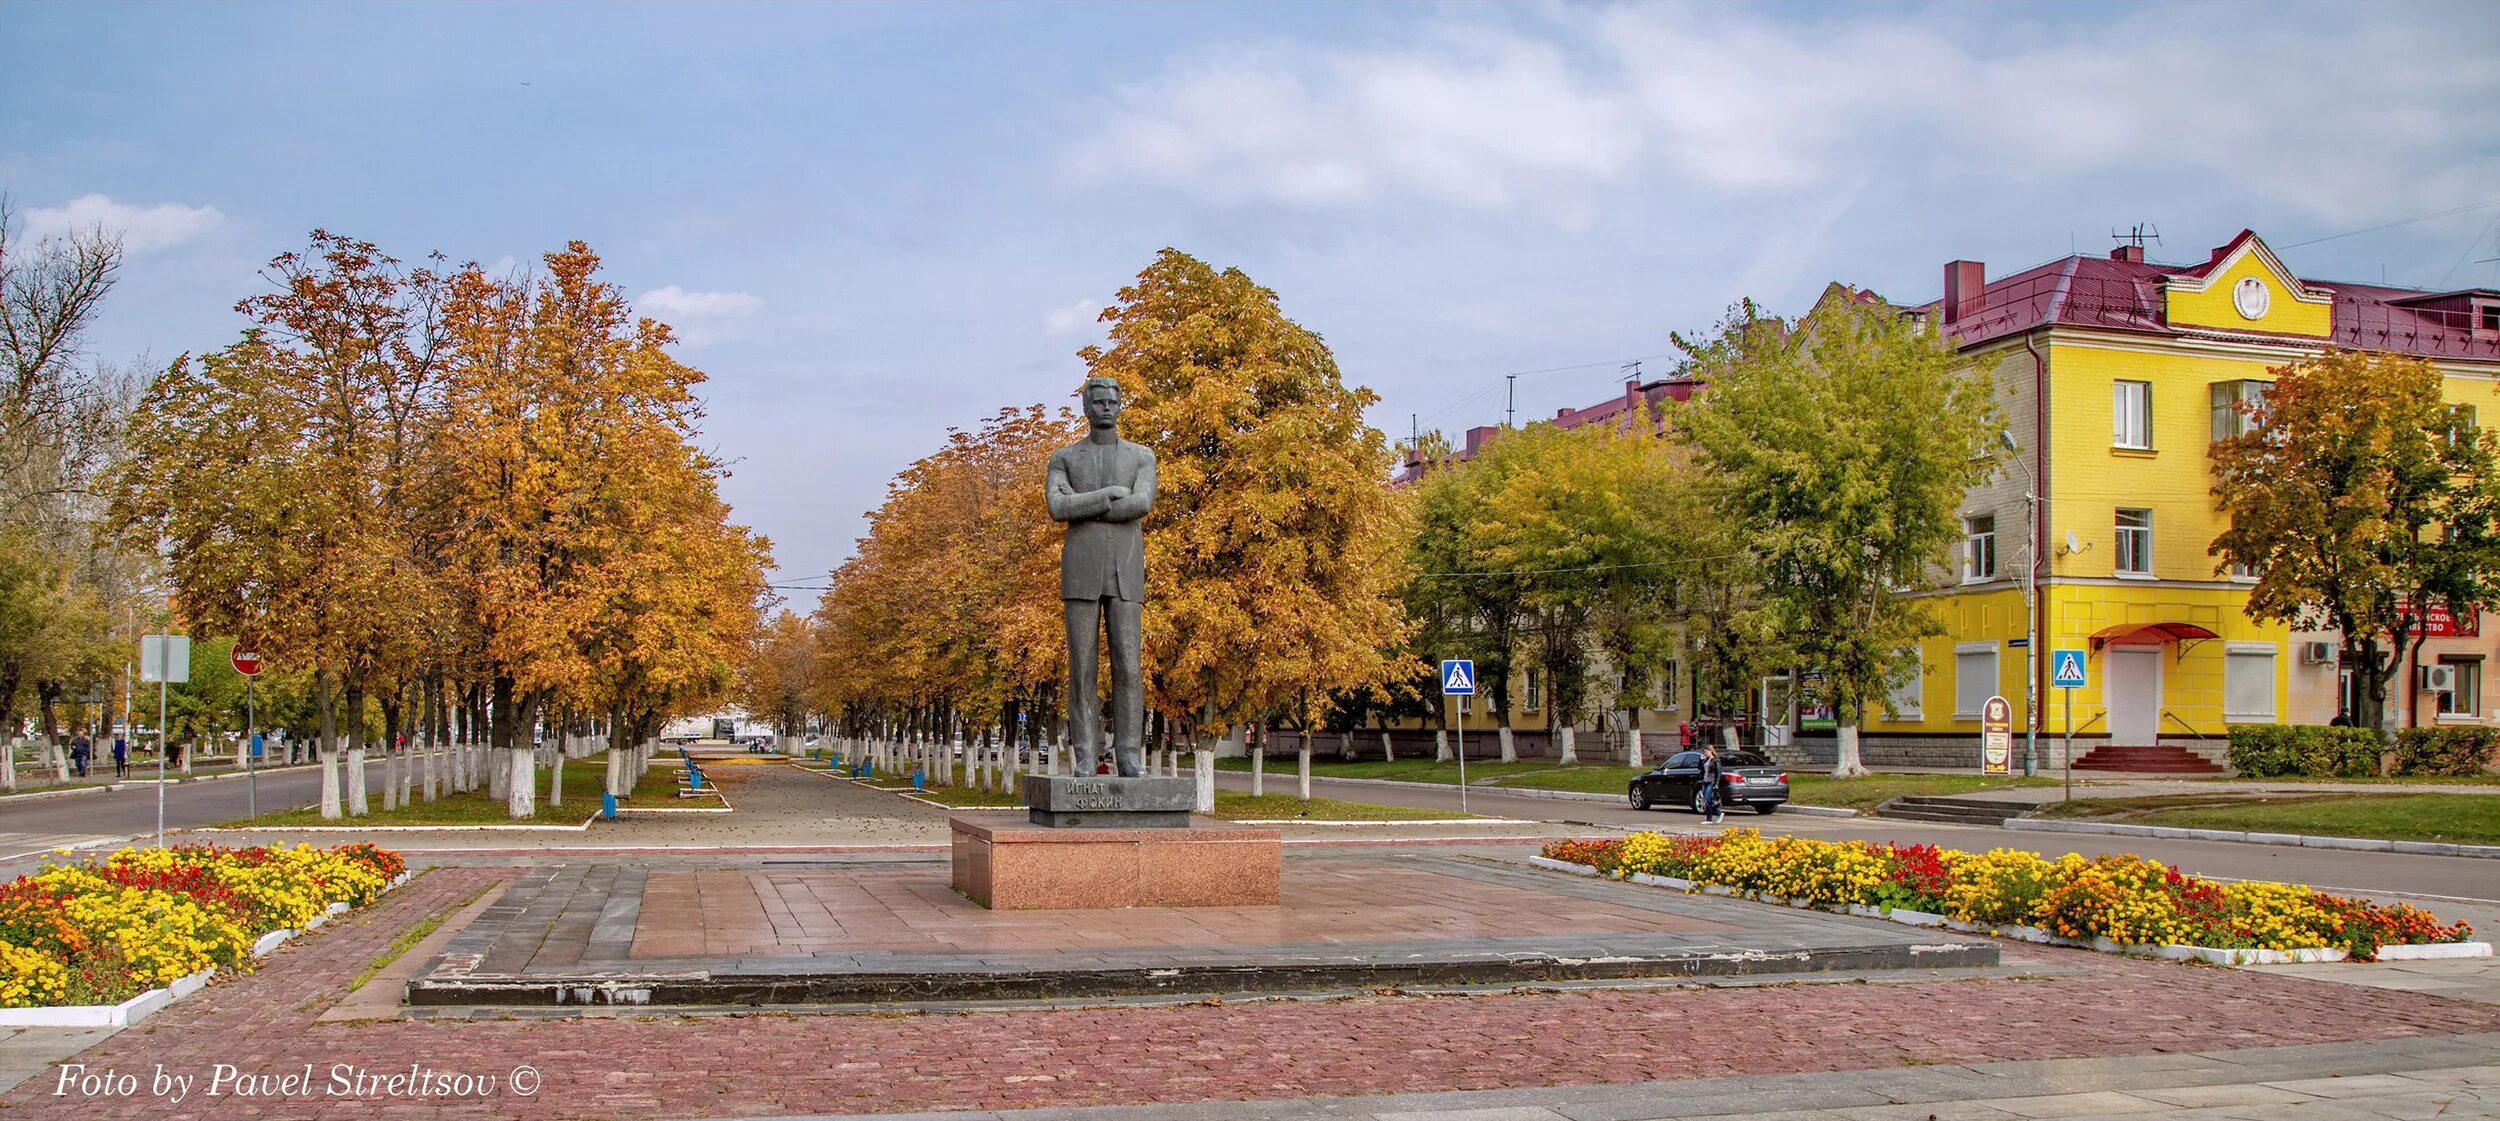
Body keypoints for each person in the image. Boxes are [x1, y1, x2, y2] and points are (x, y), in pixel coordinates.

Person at [1699, 744, 1724, 824]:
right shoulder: (1706, 760)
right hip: (1705, 781)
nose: (1705, 753)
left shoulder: (1716, 761)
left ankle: (1719, 813)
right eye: (1704, 752)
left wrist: (1716, 784)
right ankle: (1708, 819)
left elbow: (1718, 773)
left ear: (1710, 751)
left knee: (1707, 800)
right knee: (1706, 800)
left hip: (1711, 782)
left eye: (1706, 752)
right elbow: (1700, 768)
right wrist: (1700, 760)